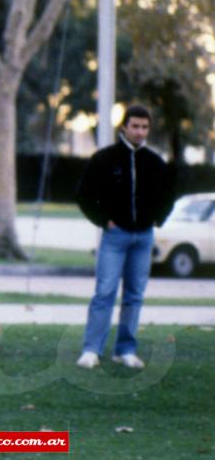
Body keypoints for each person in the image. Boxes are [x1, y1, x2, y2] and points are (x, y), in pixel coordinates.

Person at [74, 105, 175, 371]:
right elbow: (84, 195)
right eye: (135, 126)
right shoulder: (105, 159)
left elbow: (168, 194)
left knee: (134, 295)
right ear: (124, 127)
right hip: (115, 236)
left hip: (143, 237)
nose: (140, 132)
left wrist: (157, 219)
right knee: (104, 292)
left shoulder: (155, 162)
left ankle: (125, 350)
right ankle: (91, 350)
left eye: (144, 127)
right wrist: (104, 220)